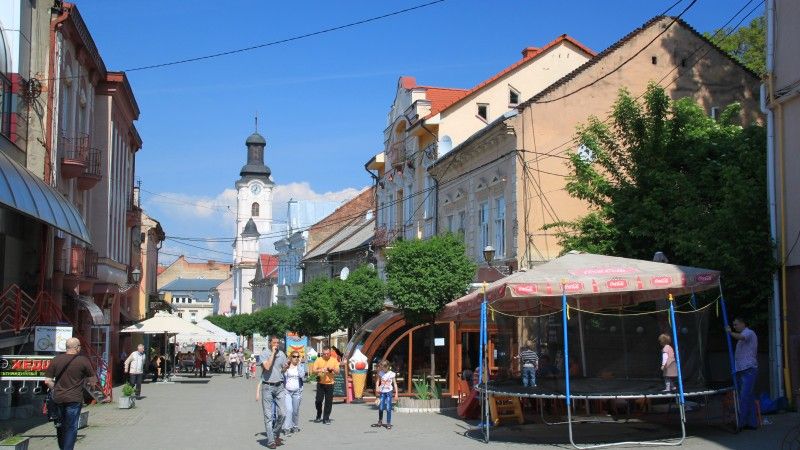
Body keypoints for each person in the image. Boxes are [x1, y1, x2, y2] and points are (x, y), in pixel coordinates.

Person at [44, 338, 98, 450]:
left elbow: (47, 380)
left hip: (58, 398)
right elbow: (93, 381)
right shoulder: (83, 360)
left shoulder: (56, 359)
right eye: (80, 346)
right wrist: (89, 385)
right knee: (71, 427)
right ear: (77, 347)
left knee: (60, 425)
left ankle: (62, 447)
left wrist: (56, 389)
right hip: (74, 399)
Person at [726, 317, 759, 430]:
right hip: (742, 369)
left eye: (736, 324)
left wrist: (730, 332)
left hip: (748, 369)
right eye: (733, 325)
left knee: (744, 396)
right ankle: (751, 423)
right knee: (747, 397)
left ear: (743, 323)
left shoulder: (749, 333)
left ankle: (741, 422)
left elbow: (741, 337)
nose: (735, 327)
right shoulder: (742, 336)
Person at [256, 336, 288, 449]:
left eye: (278, 343)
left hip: (279, 386)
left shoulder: (282, 354)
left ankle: (274, 434)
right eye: (274, 343)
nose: (276, 345)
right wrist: (273, 354)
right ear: (270, 343)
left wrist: (286, 367)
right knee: (268, 416)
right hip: (267, 386)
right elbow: (268, 366)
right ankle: (271, 441)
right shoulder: (264, 353)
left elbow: (282, 370)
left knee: (283, 413)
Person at [312, 345, 339, 424]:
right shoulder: (319, 360)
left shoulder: (334, 360)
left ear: (330, 353)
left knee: (328, 402)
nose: (326, 355)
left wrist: (332, 369)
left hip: (330, 383)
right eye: (324, 354)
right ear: (322, 353)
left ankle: (326, 418)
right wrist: (321, 370)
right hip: (320, 383)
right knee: (318, 400)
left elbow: (337, 372)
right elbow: (313, 370)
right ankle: (319, 414)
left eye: (327, 354)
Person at [282, 350, 306, 434]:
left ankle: (295, 425)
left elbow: (302, 376)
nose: (296, 358)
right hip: (287, 391)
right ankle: (287, 428)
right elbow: (282, 375)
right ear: (290, 357)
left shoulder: (300, 366)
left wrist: (299, 365)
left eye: (297, 356)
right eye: (294, 356)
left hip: (297, 392)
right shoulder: (287, 366)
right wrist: (285, 368)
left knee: (295, 411)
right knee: (289, 410)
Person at [373, 360, 399, 429]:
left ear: (387, 367)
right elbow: (377, 381)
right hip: (382, 392)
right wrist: (377, 388)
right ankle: (380, 420)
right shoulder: (380, 373)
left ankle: (388, 423)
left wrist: (396, 394)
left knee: (388, 408)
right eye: (381, 367)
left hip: (389, 392)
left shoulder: (392, 374)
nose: (382, 369)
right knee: (381, 407)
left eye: (383, 368)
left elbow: (395, 384)